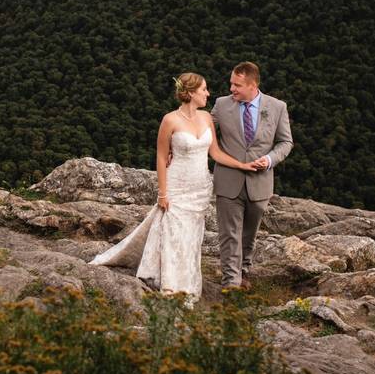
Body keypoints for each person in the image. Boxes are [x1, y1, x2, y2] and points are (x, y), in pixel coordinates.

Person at [89, 72, 254, 303]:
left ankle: (185, 276)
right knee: (174, 235)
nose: (208, 93)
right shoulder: (170, 120)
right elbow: (160, 156)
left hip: (200, 188)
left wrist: (242, 165)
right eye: (204, 89)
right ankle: (173, 284)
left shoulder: (206, 118)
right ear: (190, 93)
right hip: (177, 185)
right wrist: (162, 193)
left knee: (191, 237)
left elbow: (215, 152)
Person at [211, 62, 293, 290]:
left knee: (249, 234)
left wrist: (269, 160)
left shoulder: (277, 107)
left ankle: (244, 272)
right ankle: (231, 282)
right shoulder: (221, 104)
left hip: (260, 182)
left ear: (253, 85)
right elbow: (201, 129)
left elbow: (286, 142)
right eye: (231, 83)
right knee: (229, 234)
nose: (232, 89)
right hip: (228, 179)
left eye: (237, 85)